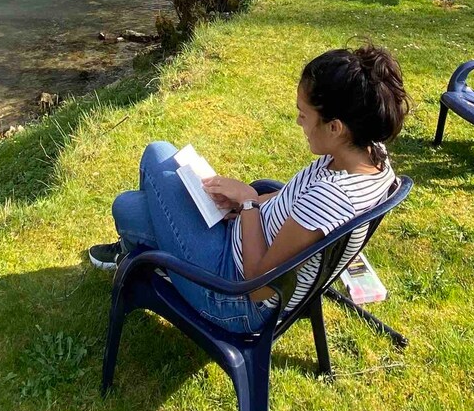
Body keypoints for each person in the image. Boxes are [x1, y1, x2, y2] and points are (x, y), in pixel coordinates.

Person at [87, 44, 409, 333]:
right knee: (143, 199)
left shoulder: (333, 198)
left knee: (140, 183)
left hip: (233, 295)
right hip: (241, 244)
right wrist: (245, 207)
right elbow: (293, 203)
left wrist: (249, 204)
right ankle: (144, 252)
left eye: (303, 115)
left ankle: (138, 255)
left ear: (336, 128)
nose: (299, 122)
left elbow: (258, 286)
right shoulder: (369, 156)